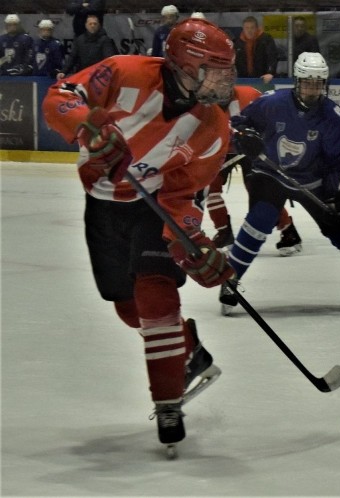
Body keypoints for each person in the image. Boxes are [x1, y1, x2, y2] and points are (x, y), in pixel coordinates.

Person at [42, 18, 238, 451]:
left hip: (155, 206)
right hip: (102, 199)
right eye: (215, 70)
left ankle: (168, 401)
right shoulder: (125, 71)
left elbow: (184, 196)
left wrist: (193, 244)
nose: (224, 81)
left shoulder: (214, 127)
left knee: (155, 293)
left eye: (228, 71)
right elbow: (61, 95)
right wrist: (85, 124)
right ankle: (189, 350)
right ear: (186, 65)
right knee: (127, 308)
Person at [219, 52, 340, 315]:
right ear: (297, 81)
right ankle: (230, 279)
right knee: (258, 222)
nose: (312, 89)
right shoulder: (274, 102)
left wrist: (336, 197)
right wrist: (243, 136)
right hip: (272, 175)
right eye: (307, 82)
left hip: (312, 181)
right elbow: (238, 124)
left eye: (317, 83)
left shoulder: (333, 116)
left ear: (325, 84)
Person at [208, 85, 303, 256]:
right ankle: (224, 233)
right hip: (220, 150)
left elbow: (272, 121)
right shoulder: (204, 102)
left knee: (260, 191)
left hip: (252, 148)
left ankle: (288, 230)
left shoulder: (250, 95)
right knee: (210, 188)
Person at [57, 15, 117, 79]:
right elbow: (73, 57)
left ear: (99, 25)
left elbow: (108, 59)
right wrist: (63, 71)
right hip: (82, 74)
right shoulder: (79, 39)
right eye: (90, 24)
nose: (92, 26)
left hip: (99, 76)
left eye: (95, 24)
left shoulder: (105, 40)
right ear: (86, 25)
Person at [234, 16, 277, 84]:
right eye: (247, 28)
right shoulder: (238, 42)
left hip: (263, 79)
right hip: (242, 80)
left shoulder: (266, 39)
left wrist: (270, 73)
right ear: (243, 29)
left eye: (252, 28)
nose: (249, 30)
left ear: (257, 28)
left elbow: (272, 57)